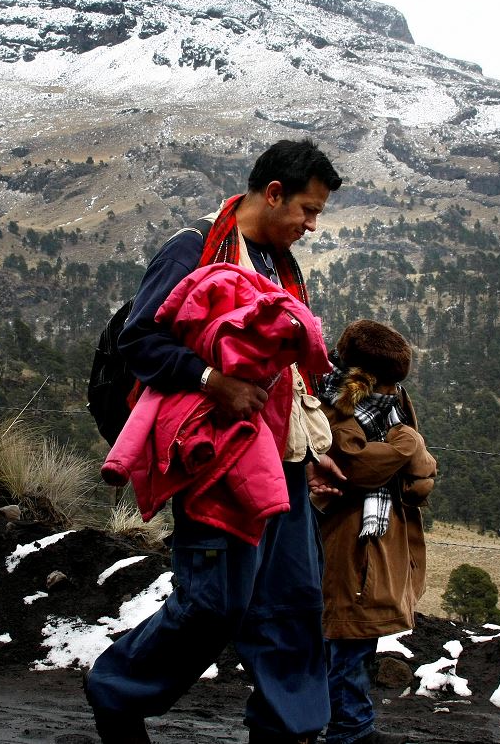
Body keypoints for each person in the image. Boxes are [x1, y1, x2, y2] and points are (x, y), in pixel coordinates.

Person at [85, 139, 346, 744]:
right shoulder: (193, 248)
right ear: (273, 193)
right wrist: (212, 381)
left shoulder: (280, 262)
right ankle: (116, 695)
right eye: (307, 211)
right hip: (216, 459)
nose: (311, 226)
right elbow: (139, 340)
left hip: (281, 458)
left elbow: (284, 364)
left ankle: (286, 730)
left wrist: (310, 445)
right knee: (213, 604)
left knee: (293, 601)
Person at [315, 320, 437, 744]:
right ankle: (349, 731)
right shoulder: (334, 403)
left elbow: (421, 479)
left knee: (358, 635)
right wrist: (406, 448)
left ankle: (351, 724)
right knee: (348, 632)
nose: (389, 393)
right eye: (381, 384)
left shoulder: (392, 401)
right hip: (349, 536)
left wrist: (409, 456)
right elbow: (354, 466)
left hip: (380, 536)